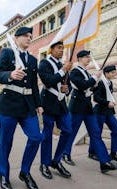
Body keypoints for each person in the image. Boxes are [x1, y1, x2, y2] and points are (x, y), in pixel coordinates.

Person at [0, 26, 43, 189]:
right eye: (26, 36)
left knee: (36, 137)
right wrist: (10, 75)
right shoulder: (7, 53)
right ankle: (4, 175)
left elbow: (34, 85)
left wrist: (39, 104)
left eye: (31, 36)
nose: (30, 38)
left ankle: (25, 172)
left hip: (28, 105)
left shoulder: (33, 60)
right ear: (17, 38)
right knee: (5, 143)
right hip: (9, 105)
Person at [38, 41, 73, 180]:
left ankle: (56, 161)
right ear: (51, 49)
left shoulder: (63, 66)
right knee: (47, 135)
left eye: (63, 48)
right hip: (48, 103)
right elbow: (48, 81)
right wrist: (64, 70)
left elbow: (67, 86)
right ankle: (44, 164)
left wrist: (67, 90)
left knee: (68, 130)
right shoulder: (44, 63)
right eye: (59, 48)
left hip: (61, 104)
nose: (61, 50)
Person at [62, 50, 101, 166]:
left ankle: (93, 152)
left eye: (89, 57)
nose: (88, 59)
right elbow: (82, 85)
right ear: (79, 59)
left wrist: (95, 84)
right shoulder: (74, 72)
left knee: (95, 131)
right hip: (77, 106)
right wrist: (94, 78)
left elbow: (89, 88)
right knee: (72, 131)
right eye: (85, 57)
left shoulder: (87, 73)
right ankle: (65, 153)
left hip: (88, 106)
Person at [92, 65, 117, 173]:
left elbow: (109, 96)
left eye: (114, 72)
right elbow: (96, 97)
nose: (114, 74)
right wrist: (107, 103)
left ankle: (113, 153)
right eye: (112, 72)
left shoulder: (110, 83)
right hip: (100, 111)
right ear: (106, 73)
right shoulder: (101, 82)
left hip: (109, 112)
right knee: (98, 133)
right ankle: (92, 152)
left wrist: (112, 102)